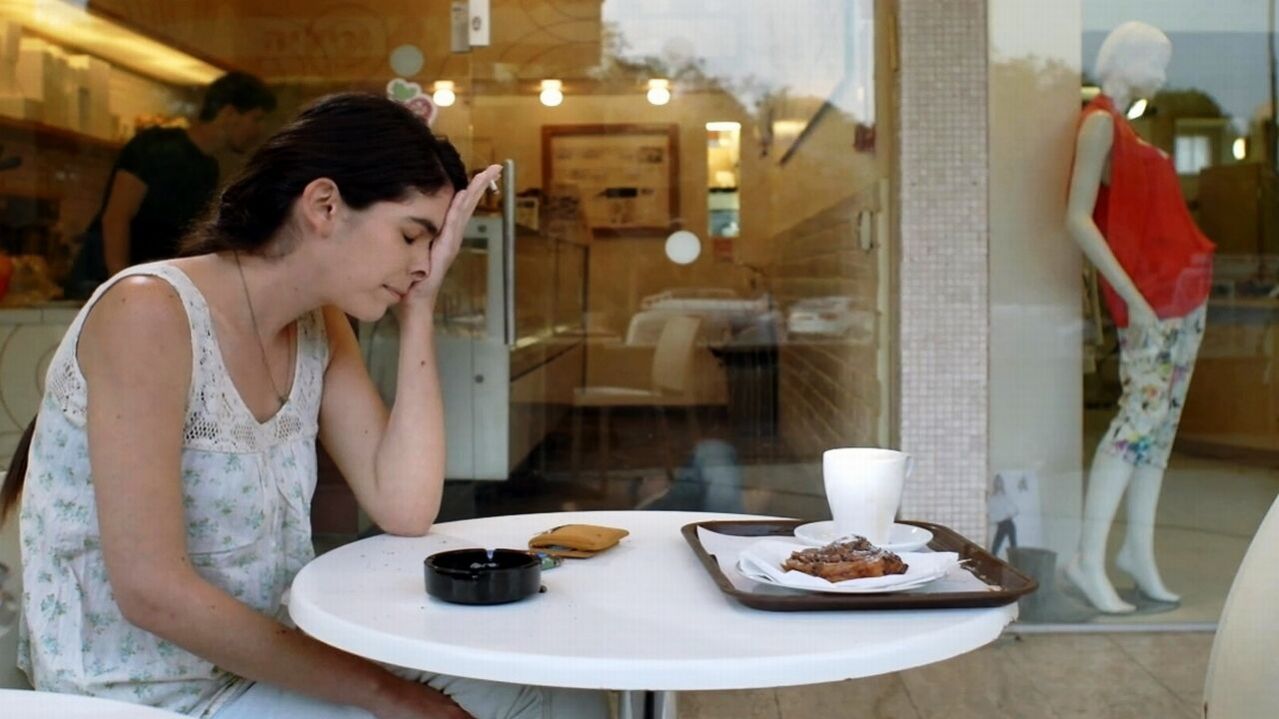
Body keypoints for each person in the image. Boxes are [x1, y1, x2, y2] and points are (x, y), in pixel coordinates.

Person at [2, 93, 607, 718]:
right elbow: (153, 593)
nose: (424, 264)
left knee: (564, 695)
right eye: (411, 236)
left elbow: (403, 506)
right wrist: (390, 696)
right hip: (148, 694)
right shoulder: (148, 312)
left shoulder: (319, 325)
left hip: (275, 657)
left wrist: (419, 310)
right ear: (324, 205)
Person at [1063, 21, 1214, 613]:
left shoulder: (1125, 128)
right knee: (1135, 426)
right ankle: (1087, 558)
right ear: (1126, 60)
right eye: (1157, 62)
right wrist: (1136, 300)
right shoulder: (1100, 123)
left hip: (1181, 299)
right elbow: (1077, 218)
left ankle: (1137, 554)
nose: (1164, 75)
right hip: (1151, 304)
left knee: (1158, 432)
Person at [65, 71, 277, 298]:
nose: (260, 130)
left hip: (147, 288)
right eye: (256, 118)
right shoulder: (153, 147)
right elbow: (116, 217)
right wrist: (121, 285)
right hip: (101, 284)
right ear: (229, 114)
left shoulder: (208, 168)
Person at [988, 474, 1018, 557]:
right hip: (1000, 525)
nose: (998, 484)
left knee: (1014, 548)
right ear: (995, 484)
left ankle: (1015, 563)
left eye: (1000, 482)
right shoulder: (992, 498)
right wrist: (994, 519)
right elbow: (991, 514)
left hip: (1009, 524)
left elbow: (1016, 509)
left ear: (1002, 483)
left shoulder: (1006, 495)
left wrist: (1011, 514)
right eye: (997, 482)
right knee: (994, 549)